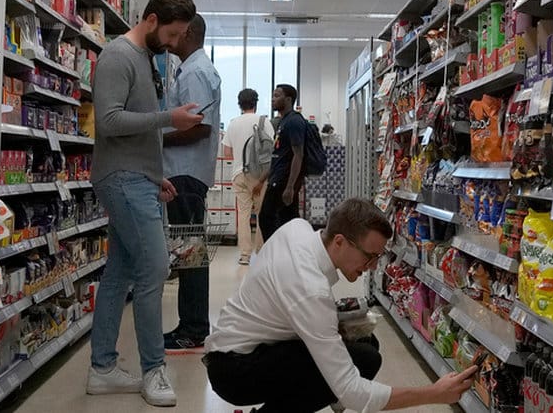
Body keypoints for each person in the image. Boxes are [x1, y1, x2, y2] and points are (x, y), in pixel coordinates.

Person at [203, 198, 478, 412]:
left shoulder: (298, 228)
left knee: (366, 343)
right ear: (339, 242)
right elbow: (353, 392)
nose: (373, 266)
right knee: (364, 361)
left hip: (241, 345)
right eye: (369, 256)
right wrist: (434, 393)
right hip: (234, 370)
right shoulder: (311, 290)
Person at [87, 0, 204, 407]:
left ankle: (102, 368)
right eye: (171, 35)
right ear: (151, 20)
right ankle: (154, 369)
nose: (173, 44)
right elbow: (109, 121)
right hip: (121, 179)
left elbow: (137, 128)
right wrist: (169, 118)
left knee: (119, 274)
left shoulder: (146, 59)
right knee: (154, 269)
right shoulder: (118, 56)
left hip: (138, 179)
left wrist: (155, 177)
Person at [161, 14, 221, 352]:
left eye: (176, 31)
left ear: (190, 33)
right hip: (186, 173)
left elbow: (200, 127)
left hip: (185, 174)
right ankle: (192, 325)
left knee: (190, 253)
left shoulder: (196, 72)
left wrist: (156, 138)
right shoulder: (192, 69)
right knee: (189, 251)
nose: (169, 37)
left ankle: (193, 329)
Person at [223, 88, 274, 265]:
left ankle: (245, 254)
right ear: (256, 103)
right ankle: (261, 252)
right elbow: (270, 149)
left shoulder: (233, 123)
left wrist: (240, 158)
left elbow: (227, 152)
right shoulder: (264, 122)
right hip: (259, 176)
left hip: (238, 174)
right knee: (261, 213)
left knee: (243, 214)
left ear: (239, 104)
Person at [259, 84, 306, 241]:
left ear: (288, 99)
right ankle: (287, 251)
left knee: (266, 218)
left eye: (277, 96)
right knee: (287, 220)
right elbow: (278, 155)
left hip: (283, 182)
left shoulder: (294, 122)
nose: (273, 99)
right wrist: (262, 179)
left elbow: (298, 154)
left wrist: (290, 186)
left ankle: (275, 251)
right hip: (277, 178)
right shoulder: (283, 122)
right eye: (273, 95)